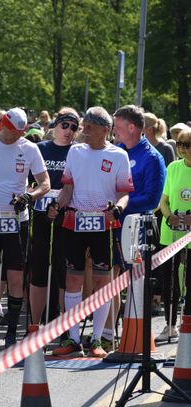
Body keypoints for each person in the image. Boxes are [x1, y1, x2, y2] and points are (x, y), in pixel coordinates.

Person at [50, 106, 134, 358]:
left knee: (102, 281)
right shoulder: (76, 151)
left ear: (105, 130)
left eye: (89, 127)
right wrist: (57, 206)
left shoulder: (118, 155)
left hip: (103, 222)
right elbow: (67, 188)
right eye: (83, 126)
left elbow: (123, 194)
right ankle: (73, 339)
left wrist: (117, 209)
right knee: (73, 279)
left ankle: (97, 339)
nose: (83, 131)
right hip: (75, 219)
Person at [0, 108, 50, 351]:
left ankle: (12, 334)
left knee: (15, 277)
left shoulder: (29, 148)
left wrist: (30, 195)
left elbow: (45, 183)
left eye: (20, 132)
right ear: (1, 125)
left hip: (16, 220)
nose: (16, 136)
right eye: (13, 131)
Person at [101, 105, 165, 350]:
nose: (113, 131)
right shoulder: (116, 151)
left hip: (135, 227)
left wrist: (119, 206)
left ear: (132, 127)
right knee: (108, 280)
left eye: (117, 126)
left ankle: (135, 340)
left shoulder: (152, 157)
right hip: (111, 224)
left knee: (133, 283)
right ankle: (107, 335)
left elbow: (151, 199)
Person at [29, 108, 79, 328]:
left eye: (74, 127)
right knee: (38, 266)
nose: (68, 131)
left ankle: (60, 323)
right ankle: (34, 323)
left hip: (66, 211)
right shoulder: (40, 149)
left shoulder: (77, 152)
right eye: (64, 125)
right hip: (40, 213)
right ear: (55, 126)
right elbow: (26, 179)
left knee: (62, 268)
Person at [157, 128, 191, 342]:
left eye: (187, 145)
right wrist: (169, 217)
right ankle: (169, 325)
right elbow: (164, 200)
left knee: (189, 279)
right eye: (179, 144)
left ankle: (186, 322)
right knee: (168, 280)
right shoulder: (173, 167)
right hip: (171, 232)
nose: (182, 149)